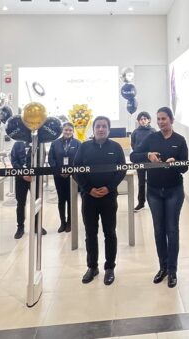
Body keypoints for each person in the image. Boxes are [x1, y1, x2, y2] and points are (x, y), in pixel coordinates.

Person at [129, 107, 188, 288]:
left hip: (174, 191)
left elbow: (185, 167)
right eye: (159, 119)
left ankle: (172, 270)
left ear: (171, 120)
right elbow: (133, 156)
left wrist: (175, 163)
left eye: (164, 118)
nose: (161, 122)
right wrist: (147, 155)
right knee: (159, 230)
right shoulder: (151, 138)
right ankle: (163, 267)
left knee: (172, 229)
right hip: (154, 191)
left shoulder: (180, 140)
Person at [74, 116, 126, 285]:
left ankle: (110, 268)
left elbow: (122, 170)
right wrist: (88, 189)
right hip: (89, 197)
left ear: (109, 129)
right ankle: (92, 267)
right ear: (94, 129)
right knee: (90, 233)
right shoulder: (84, 147)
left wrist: (109, 188)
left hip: (109, 197)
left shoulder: (116, 147)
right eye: (98, 126)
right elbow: (76, 170)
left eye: (104, 126)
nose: (101, 129)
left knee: (110, 233)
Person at [47, 122, 81, 233]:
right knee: (61, 199)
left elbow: (80, 159)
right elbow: (51, 159)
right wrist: (59, 171)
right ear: (63, 130)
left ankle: (70, 222)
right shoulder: (55, 143)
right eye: (66, 130)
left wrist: (71, 171)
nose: (68, 132)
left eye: (70, 130)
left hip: (73, 176)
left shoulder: (77, 143)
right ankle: (63, 222)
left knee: (71, 199)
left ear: (73, 131)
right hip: (59, 176)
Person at [11, 140, 46, 238]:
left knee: (37, 201)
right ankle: (20, 227)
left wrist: (33, 174)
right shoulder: (17, 143)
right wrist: (23, 174)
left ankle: (37, 225)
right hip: (20, 178)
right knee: (20, 203)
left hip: (35, 178)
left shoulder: (39, 143)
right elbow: (14, 160)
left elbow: (41, 160)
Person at [129, 111, 154, 212]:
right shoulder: (135, 132)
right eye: (141, 119)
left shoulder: (153, 131)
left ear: (149, 120)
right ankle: (141, 203)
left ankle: (153, 202)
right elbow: (133, 145)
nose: (143, 121)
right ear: (138, 121)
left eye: (145, 119)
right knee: (141, 182)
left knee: (152, 182)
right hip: (139, 160)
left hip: (151, 160)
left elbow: (155, 144)